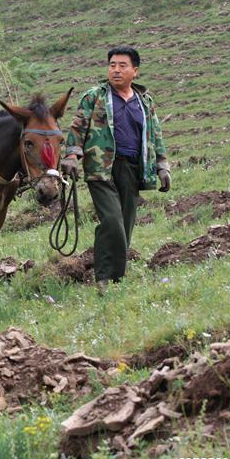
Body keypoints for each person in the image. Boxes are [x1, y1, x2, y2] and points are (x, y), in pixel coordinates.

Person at [60, 45, 170, 290]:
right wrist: (71, 156)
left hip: (133, 169)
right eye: (112, 65)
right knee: (112, 221)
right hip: (101, 168)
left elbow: (155, 134)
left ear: (135, 71)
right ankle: (103, 278)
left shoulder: (145, 102)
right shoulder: (94, 97)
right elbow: (77, 128)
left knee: (126, 223)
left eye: (122, 66)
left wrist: (163, 166)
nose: (116, 70)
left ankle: (116, 279)